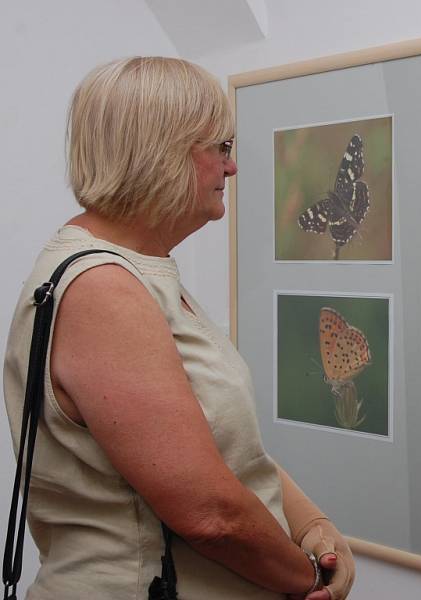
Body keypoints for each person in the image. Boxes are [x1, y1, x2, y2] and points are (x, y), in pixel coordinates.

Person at [3, 56, 354, 599]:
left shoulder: (141, 269)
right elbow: (209, 514)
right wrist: (307, 580)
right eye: (222, 148)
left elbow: (217, 442)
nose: (231, 168)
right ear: (162, 150)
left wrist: (312, 525)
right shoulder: (103, 289)